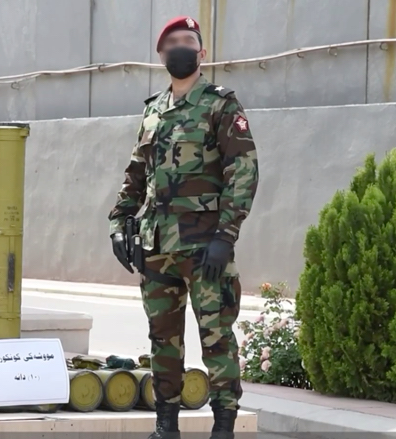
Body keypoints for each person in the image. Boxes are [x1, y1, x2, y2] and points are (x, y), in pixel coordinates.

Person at [107, 15, 259, 439]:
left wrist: (226, 236)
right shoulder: (153, 110)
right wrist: (120, 222)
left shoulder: (220, 103)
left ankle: (224, 426)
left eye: (187, 40)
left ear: (201, 53)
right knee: (163, 338)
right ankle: (165, 425)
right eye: (171, 42)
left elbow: (243, 171)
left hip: (205, 245)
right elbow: (137, 173)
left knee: (216, 336)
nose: (179, 47)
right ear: (161, 55)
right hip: (157, 246)